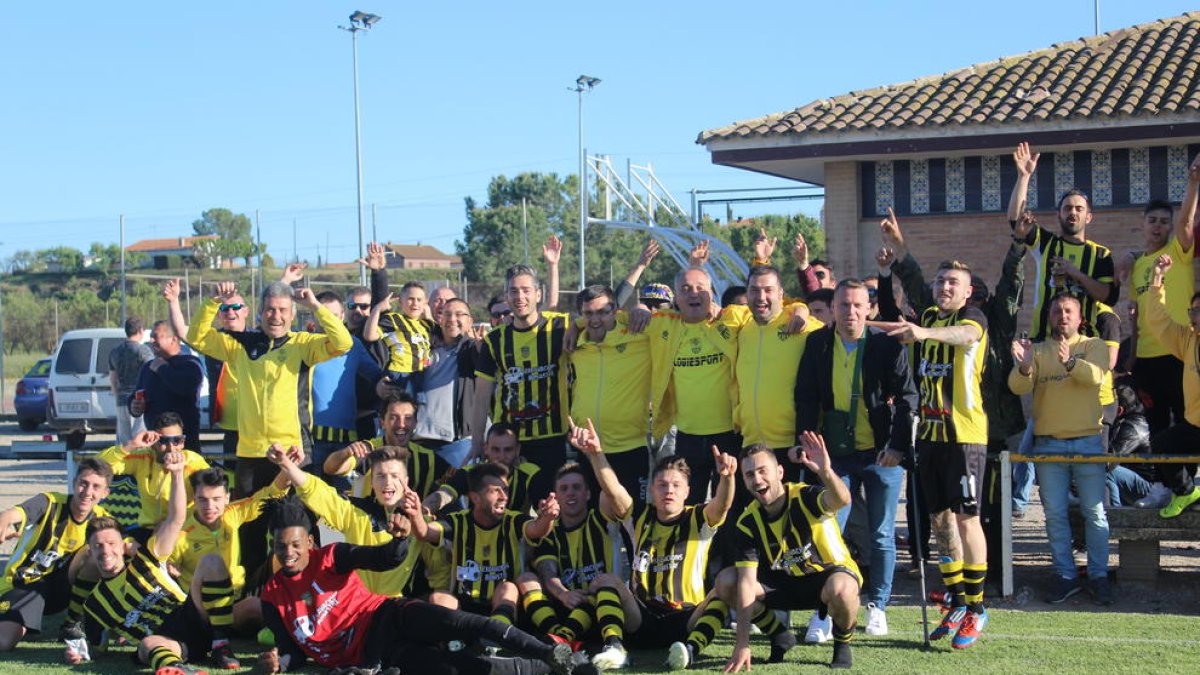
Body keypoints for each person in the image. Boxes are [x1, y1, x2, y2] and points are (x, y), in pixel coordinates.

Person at [255, 496, 592, 675]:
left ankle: (549, 651)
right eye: (281, 546)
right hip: (378, 656)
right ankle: (558, 668)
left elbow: (385, 558)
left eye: (296, 544)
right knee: (457, 669)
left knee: (462, 624)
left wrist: (400, 539)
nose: (289, 553)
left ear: (310, 541)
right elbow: (292, 651)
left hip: (388, 616)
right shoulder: (271, 595)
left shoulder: (330, 556)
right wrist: (275, 665)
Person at [878, 259, 990, 649]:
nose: (944, 287)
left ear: (967, 291)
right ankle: (957, 599)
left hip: (965, 435)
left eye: (953, 282)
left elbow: (963, 336)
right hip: (929, 435)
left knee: (967, 519)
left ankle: (977, 607)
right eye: (940, 280)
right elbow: (897, 320)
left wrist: (923, 332)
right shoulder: (926, 314)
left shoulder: (973, 317)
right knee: (940, 520)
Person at [796, 278, 917, 637]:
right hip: (834, 456)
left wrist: (897, 446)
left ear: (869, 309)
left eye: (857, 305)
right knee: (829, 532)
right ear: (832, 308)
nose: (850, 312)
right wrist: (803, 441)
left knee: (881, 534)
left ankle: (878, 605)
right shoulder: (817, 343)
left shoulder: (885, 345)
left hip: (881, 455)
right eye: (843, 305)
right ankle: (823, 610)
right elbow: (805, 398)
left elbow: (908, 397)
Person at [69, 448, 241, 673]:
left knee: (211, 562)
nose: (105, 551)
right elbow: (96, 647)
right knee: (147, 644)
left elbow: (176, 517)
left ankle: (221, 644)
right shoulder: (95, 605)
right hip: (170, 645)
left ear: (124, 545)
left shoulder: (147, 559)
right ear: (90, 551)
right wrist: (77, 654)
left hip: (194, 617)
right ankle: (177, 670)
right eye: (98, 546)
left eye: (111, 543)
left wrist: (178, 473)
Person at [187, 281, 352, 497]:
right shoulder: (241, 344)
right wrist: (213, 301)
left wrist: (315, 307)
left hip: (294, 451)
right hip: (250, 453)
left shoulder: (303, 344)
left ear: (292, 315)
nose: (276, 316)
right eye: (270, 309)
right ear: (260, 313)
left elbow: (343, 343)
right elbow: (196, 338)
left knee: (297, 525)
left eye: (283, 310)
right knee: (250, 527)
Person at [717, 437, 859, 671]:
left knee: (842, 590)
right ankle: (780, 635)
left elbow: (842, 500)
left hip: (825, 575)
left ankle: (842, 645)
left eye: (763, 471)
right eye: (750, 475)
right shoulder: (747, 522)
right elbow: (746, 583)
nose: (758, 479)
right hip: (783, 581)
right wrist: (742, 643)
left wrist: (825, 471)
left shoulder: (805, 496)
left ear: (780, 472)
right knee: (727, 581)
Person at [1010, 294, 1113, 605]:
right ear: (1050, 316)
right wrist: (1026, 367)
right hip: (1049, 444)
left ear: (1080, 318)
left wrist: (1070, 362)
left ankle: (1099, 576)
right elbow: (1017, 387)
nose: (1062, 316)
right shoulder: (1038, 350)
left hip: (1088, 443)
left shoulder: (1094, 345)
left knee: (1095, 513)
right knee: (1054, 515)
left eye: (1069, 311)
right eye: (1057, 311)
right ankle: (1065, 575)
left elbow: (1096, 376)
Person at [269, 444, 450, 600]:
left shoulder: (419, 522)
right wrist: (285, 464)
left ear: (406, 481)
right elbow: (317, 491)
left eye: (395, 476)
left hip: (394, 605)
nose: (388, 482)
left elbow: (439, 572)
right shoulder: (355, 512)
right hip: (354, 604)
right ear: (371, 482)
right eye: (380, 476)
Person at [519, 424, 632, 670]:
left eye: (577, 487)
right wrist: (563, 594)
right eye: (564, 488)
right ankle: (560, 640)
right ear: (556, 495)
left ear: (588, 494)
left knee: (603, 583)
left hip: (608, 607)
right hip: (570, 607)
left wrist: (595, 453)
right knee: (527, 578)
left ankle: (615, 645)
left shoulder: (601, 519)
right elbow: (548, 573)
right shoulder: (551, 530)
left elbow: (615, 495)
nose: (571, 493)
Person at [410, 463, 559, 627]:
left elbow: (536, 530)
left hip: (501, 605)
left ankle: (496, 639)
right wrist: (415, 513)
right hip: (464, 605)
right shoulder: (458, 521)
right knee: (440, 598)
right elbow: (424, 533)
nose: (504, 496)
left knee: (508, 587)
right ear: (475, 498)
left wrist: (547, 518)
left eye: (506, 490)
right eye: (496, 490)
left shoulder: (513, 520)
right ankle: (454, 643)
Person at [472, 262, 572, 499]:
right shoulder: (494, 340)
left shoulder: (560, 328)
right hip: (507, 443)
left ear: (538, 294)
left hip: (552, 438)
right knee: (505, 510)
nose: (520, 296)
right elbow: (481, 396)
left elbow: (597, 318)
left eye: (526, 290)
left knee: (551, 509)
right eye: (514, 291)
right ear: (506, 296)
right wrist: (477, 442)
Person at [1007, 142, 1118, 341]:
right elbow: (1016, 221)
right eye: (1067, 208)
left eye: (1079, 209)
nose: (1073, 213)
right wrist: (1023, 177)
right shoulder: (1047, 243)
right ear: (1059, 215)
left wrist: (1076, 274)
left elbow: (1108, 297)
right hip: (1044, 340)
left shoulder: (1100, 255)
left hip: (1084, 344)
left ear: (1089, 217)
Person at [0, 458, 111, 651]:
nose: (87, 492)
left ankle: (72, 624)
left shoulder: (103, 519)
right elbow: (13, 514)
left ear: (105, 493)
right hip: (26, 584)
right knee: (4, 642)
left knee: (100, 551)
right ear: (74, 483)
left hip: (64, 589)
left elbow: (121, 549)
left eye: (96, 487)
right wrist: (4, 520)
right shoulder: (49, 502)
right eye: (83, 484)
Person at [1126, 154, 1200, 433]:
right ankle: (1160, 479)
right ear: (1143, 223)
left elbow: (1186, 223)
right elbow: (1135, 315)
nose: (1158, 226)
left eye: (1163, 222)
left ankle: (1187, 478)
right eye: (1153, 221)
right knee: (1154, 427)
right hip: (1146, 357)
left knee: (1186, 423)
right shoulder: (1136, 265)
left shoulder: (1178, 253)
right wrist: (1132, 354)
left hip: (1179, 352)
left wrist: (1193, 184)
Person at [168, 467, 287, 633]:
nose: (210, 506)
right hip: (208, 609)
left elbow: (269, 494)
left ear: (227, 498)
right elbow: (160, 563)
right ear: (193, 499)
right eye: (202, 499)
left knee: (286, 553)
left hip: (239, 594)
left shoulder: (231, 514)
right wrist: (169, 565)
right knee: (255, 606)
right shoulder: (180, 532)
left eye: (216, 499)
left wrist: (288, 467)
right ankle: (287, 634)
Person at [568, 285, 652, 505]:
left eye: (602, 312)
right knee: (594, 521)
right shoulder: (575, 344)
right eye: (588, 313)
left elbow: (674, 318)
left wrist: (643, 308)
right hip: (587, 448)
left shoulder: (638, 335)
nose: (595, 319)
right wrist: (574, 326)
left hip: (629, 448)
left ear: (615, 311)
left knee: (633, 520)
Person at [307, 290, 388, 488]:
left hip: (347, 442)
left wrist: (386, 386)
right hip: (310, 441)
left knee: (345, 501)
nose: (329, 322)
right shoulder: (303, 344)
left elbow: (375, 375)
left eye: (334, 317)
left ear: (342, 317)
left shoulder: (354, 345)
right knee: (310, 499)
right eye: (323, 316)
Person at [1142, 255, 1200, 518]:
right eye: (1193, 311)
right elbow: (1157, 320)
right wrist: (1157, 279)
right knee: (1163, 443)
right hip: (1195, 425)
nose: (1195, 316)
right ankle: (1187, 492)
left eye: (1199, 310)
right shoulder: (1188, 339)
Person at [165, 277, 248, 455]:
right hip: (230, 427)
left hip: (257, 424)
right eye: (224, 308)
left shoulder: (260, 340)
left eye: (236, 307)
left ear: (246, 311)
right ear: (219, 315)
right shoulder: (212, 341)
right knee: (232, 477)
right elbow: (181, 331)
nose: (230, 312)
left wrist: (285, 281)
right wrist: (173, 301)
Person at [96, 413, 210, 541]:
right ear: (153, 442)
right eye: (164, 441)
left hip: (185, 531)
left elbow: (213, 491)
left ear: (183, 442)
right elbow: (98, 465)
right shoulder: (142, 458)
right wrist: (131, 444)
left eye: (177, 440)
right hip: (148, 530)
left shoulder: (194, 462)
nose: (171, 447)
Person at [323, 392, 452, 500]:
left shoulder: (428, 458)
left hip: (409, 528)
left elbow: (456, 482)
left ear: (415, 423)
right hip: (368, 526)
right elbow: (330, 468)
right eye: (394, 417)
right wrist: (346, 453)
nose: (401, 424)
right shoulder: (369, 449)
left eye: (408, 418)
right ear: (382, 422)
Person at [425, 422, 541, 516]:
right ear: (486, 449)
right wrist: (425, 508)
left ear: (517, 450)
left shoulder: (530, 473)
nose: (501, 457)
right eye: (495, 450)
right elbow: (446, 493)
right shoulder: (472, 472)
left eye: (508, 450)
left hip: (514, 538)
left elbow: (544, 509)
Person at [130, 320, 205, 452]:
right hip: (155, 443)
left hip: (184, 444)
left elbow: (182, 387)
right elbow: (136, 394)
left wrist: (162, 368)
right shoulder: (148, 367)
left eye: (156, 336)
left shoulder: (191, 364)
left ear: (174, 339)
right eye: (151, 336)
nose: (151, 340)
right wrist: (134, 406)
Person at [108, 317, 153, 445]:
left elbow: (113, 379)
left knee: (123, 442)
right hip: (139, 400)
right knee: (139, 439)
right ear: (140, 330)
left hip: (121, 400)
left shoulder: (115, 352)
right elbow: (151, 374)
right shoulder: (144, 351)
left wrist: (117, 395)